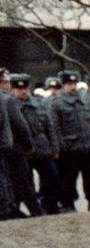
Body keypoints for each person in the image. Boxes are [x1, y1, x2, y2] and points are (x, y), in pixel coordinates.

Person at [10, 74, 64, 213]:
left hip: (42, 148)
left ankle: (50, 204)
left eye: (25, 88)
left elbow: (49, 126)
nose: (22, 91)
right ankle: (33, 209)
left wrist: (54, 147)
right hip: (23, 150)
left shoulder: (38, 103)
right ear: (13, 89)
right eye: (18, 88)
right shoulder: (10, 106)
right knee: (27, 183)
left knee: (52, 178)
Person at [50, 70, 90, 211]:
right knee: (69, 179)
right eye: (69, 84)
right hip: (71, 148)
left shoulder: (84, 101)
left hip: (88, 146)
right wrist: (61, 145)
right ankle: (68, 204)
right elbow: (56, 127)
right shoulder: (57, 103)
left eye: (74, 84)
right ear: (63, 85)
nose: (72, 87)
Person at [0, 70, 39, 218]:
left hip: (8, 146)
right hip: (12, 147)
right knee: (22, 182)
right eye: (6, 82)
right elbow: (21, 126)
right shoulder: (7, 100)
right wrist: (29, 145)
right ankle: (33, 211)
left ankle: (12, 208)